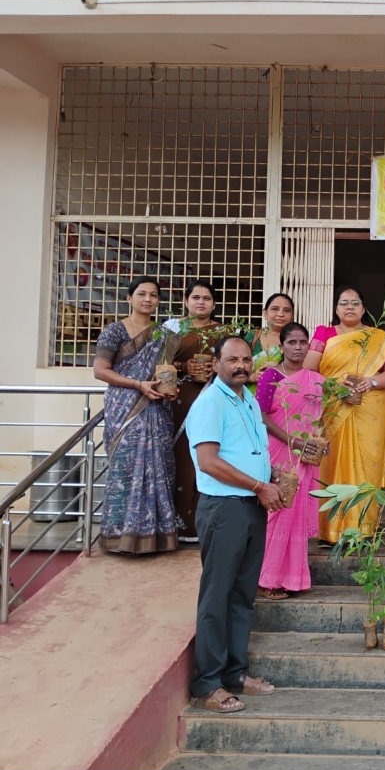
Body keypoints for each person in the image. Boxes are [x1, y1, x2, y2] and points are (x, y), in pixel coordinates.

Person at [185, 334, 283, 712]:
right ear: (216, 364)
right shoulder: (210, 402)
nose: (241, 365)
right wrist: (260, 485)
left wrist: (273, 478)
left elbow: (251, 451)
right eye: (232, 360)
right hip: (224, 509)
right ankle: (208, 684)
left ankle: (235, 673)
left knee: (242, 595)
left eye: (245, 359)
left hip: (252, 506)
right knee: (217, 596)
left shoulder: (247, 400)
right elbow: (208, 461)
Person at [305, 288, 385, 542]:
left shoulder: (379, 337)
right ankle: (329, 532)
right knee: (329, 465)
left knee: (366, 467)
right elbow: (309, 370)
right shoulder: (324, 334)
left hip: (368, 413)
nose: (349, 307)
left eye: (355, 303)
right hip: (332, 408)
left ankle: (363, 530)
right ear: (336, 309)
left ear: (363, 309)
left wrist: (370, 382)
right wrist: (335, 385)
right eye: (344, 303)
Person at [93, 276, 180, 555]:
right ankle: (120, 537)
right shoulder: (114, 331)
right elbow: (100, 370)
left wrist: (170, 390)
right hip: (125, 408)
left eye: (153, 295)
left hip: (157, 409)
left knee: (159, 467)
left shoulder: (164, 334)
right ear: (129, 298)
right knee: (125, 470)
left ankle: (157, 537)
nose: (148, 299)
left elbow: (165, 372)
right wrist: (137, 384)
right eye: (141, 294)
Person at [255, 323, 327, 596]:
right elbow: (260, 416)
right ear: (281, 346)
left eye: (302, 342)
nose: (298, 347)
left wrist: (320, 442)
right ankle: (265, 580)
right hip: (279, 452)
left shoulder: (316, 380)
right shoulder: (270, 376)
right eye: (292, 342)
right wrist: (292, 441)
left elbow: (320, 418)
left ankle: (291, 578)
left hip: (305, 456)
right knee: (276, 511)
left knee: (294, 514)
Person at [169, 279, 220, 543]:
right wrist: (183, 367)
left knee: (204, 458)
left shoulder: (223, 332)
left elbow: (232, 365)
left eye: (206, 298)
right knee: (178, 459)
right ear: (186, 301)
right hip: (176, 402)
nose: (201, 302)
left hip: (210, 402)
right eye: (196, 297)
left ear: (214, 303)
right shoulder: (171, 328)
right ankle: (174, 525)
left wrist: (215, 369)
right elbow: (159, 363)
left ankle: (200, 525)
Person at [250, 292, 296, 383]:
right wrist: (252, 377)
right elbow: (234, 367)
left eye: (287, 310)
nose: (280, 314)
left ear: (292, 315)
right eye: (275, 309)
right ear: (265, 313)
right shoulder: (252, 337)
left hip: (286, 390)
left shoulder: (297, 341)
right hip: (251, 391)